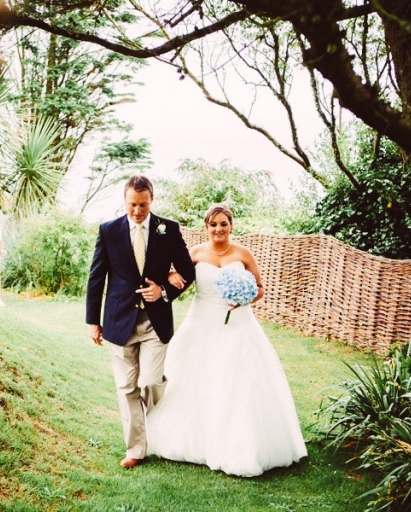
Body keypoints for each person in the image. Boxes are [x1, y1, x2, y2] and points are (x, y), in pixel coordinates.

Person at [146, 204, 307, 477]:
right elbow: (176, 274)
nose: (218, 229)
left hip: (238, 326)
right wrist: (171, 275)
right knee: (195, 378)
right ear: (206, 227)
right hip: (200, 324)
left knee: (237, 382)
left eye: (223, 223)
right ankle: (196, 440)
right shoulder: (195, 253)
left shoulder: (243, 254)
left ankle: (239, 446)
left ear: (231, 225)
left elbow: (260, 288)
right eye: (213, 224)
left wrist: (245, 297)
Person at [86, 175, 196, 469]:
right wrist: (92, 321)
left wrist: (164, 290)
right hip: (119, 321)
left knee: (149, 382)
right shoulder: (108, 230)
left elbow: (187, 270)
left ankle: (160, 421)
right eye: (132, 204)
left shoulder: (168, 229)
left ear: (152, 200)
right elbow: (96, 278)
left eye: (143, 205)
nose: (137, 211)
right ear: (125, 201)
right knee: (126, 387)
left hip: (154, 322)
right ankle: (136, 449)